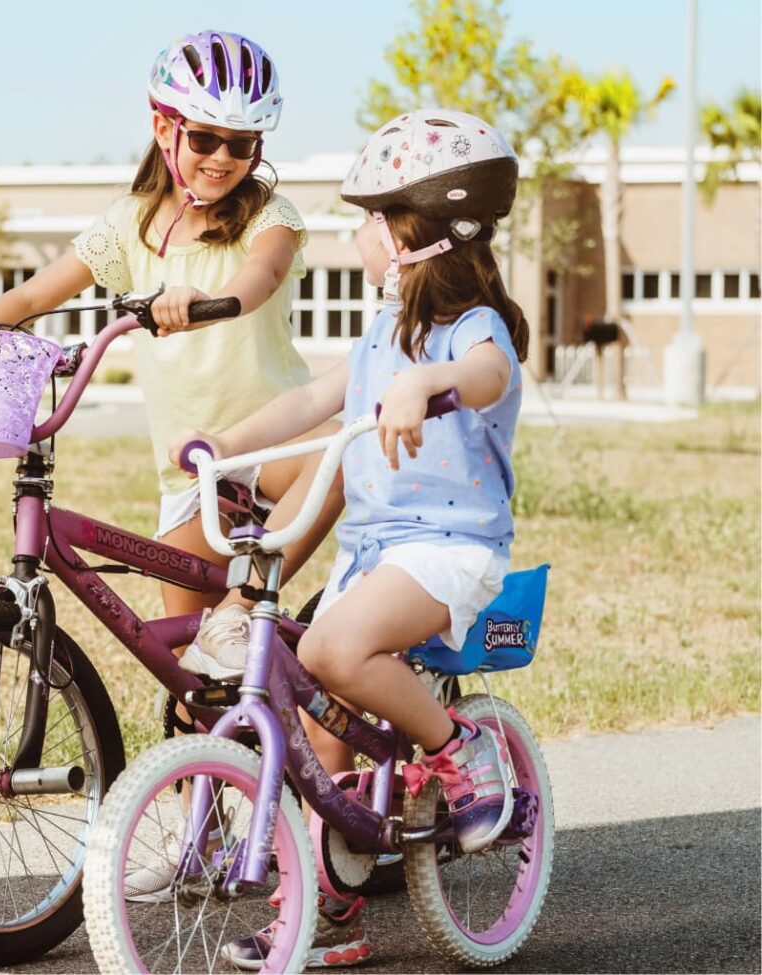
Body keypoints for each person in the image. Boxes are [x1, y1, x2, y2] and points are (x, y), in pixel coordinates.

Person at [0, 29, 344, 900]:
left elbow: (256, 278)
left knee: (324, 475)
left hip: (271, 448)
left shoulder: (273, 218)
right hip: (191, 475)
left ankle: (257, 596)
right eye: (204, 138)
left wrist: (196, 303)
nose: (220, 159)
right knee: (191, 675)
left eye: (241, 144)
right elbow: (36, 293)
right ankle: (192, 827)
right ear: (163, 127)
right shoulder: (129, 226)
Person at [169, 109, 529, 969]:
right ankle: (328, 912)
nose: (360, 233)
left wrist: (430, 381)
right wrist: (225, 452)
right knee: (320, 733)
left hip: (449, 546)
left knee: (330, 644)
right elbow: (309, 403)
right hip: (375, 551)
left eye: (372, 218)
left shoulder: (471, 326)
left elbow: (490, 374)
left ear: (421, 236)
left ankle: (462, 751)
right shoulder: (378, 335)